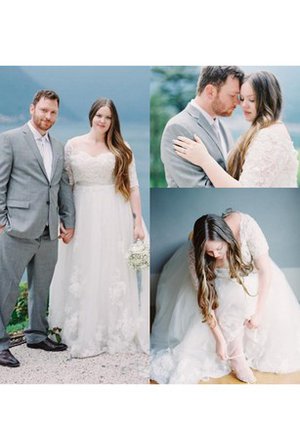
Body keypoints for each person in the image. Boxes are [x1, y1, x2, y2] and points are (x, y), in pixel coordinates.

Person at [49, 98, 149, 358]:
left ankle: (109, 327)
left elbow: (134, 186)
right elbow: (65, 186)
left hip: (113, 212)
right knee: (82, 265)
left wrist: (137, 220)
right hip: (82, 211)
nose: (103, 121)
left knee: (111, 266)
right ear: (91, 116)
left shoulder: (122, 148)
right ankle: (79, 326)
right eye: (99, 116)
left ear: (113, 121)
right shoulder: (73, 145)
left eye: (108, 117)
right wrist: (64, 217)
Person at [150, 211, 300, 383]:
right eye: (209, 252)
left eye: (219, 249)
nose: (215, 255)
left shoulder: (245, 225)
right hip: (219, 282)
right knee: (231, 295)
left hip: (254, 276)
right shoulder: (195, 252)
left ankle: (242, 349)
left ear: (227, 238)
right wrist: (219, 340)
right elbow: (205, 299)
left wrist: (258, 313)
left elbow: (265, 270)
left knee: (241, 292)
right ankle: (237, 355)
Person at [0, 90, 75, 368]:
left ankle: (36, 335)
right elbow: (0, 181)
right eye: (44, 110)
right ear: (32, 109)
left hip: (49, 228)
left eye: (53, 112)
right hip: (17, 227)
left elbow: (61, 187)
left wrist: (69, 220)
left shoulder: (58, 146)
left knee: (41, 288)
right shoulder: (9, 139)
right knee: (5, 288)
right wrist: (2, 219)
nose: (48, 116)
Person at [174, 71, 298, 187]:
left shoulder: (271, 135)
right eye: (242, 99)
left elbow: (244, 189)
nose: (243, 105)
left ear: (268, 100)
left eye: (252, 100)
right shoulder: (261, 131)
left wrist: (204, 159)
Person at [160, 66, 244, 187]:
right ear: (210, 92)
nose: (237, 103)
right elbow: (198, 188)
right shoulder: (178, 128)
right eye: (232, 95)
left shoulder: (223, 128)